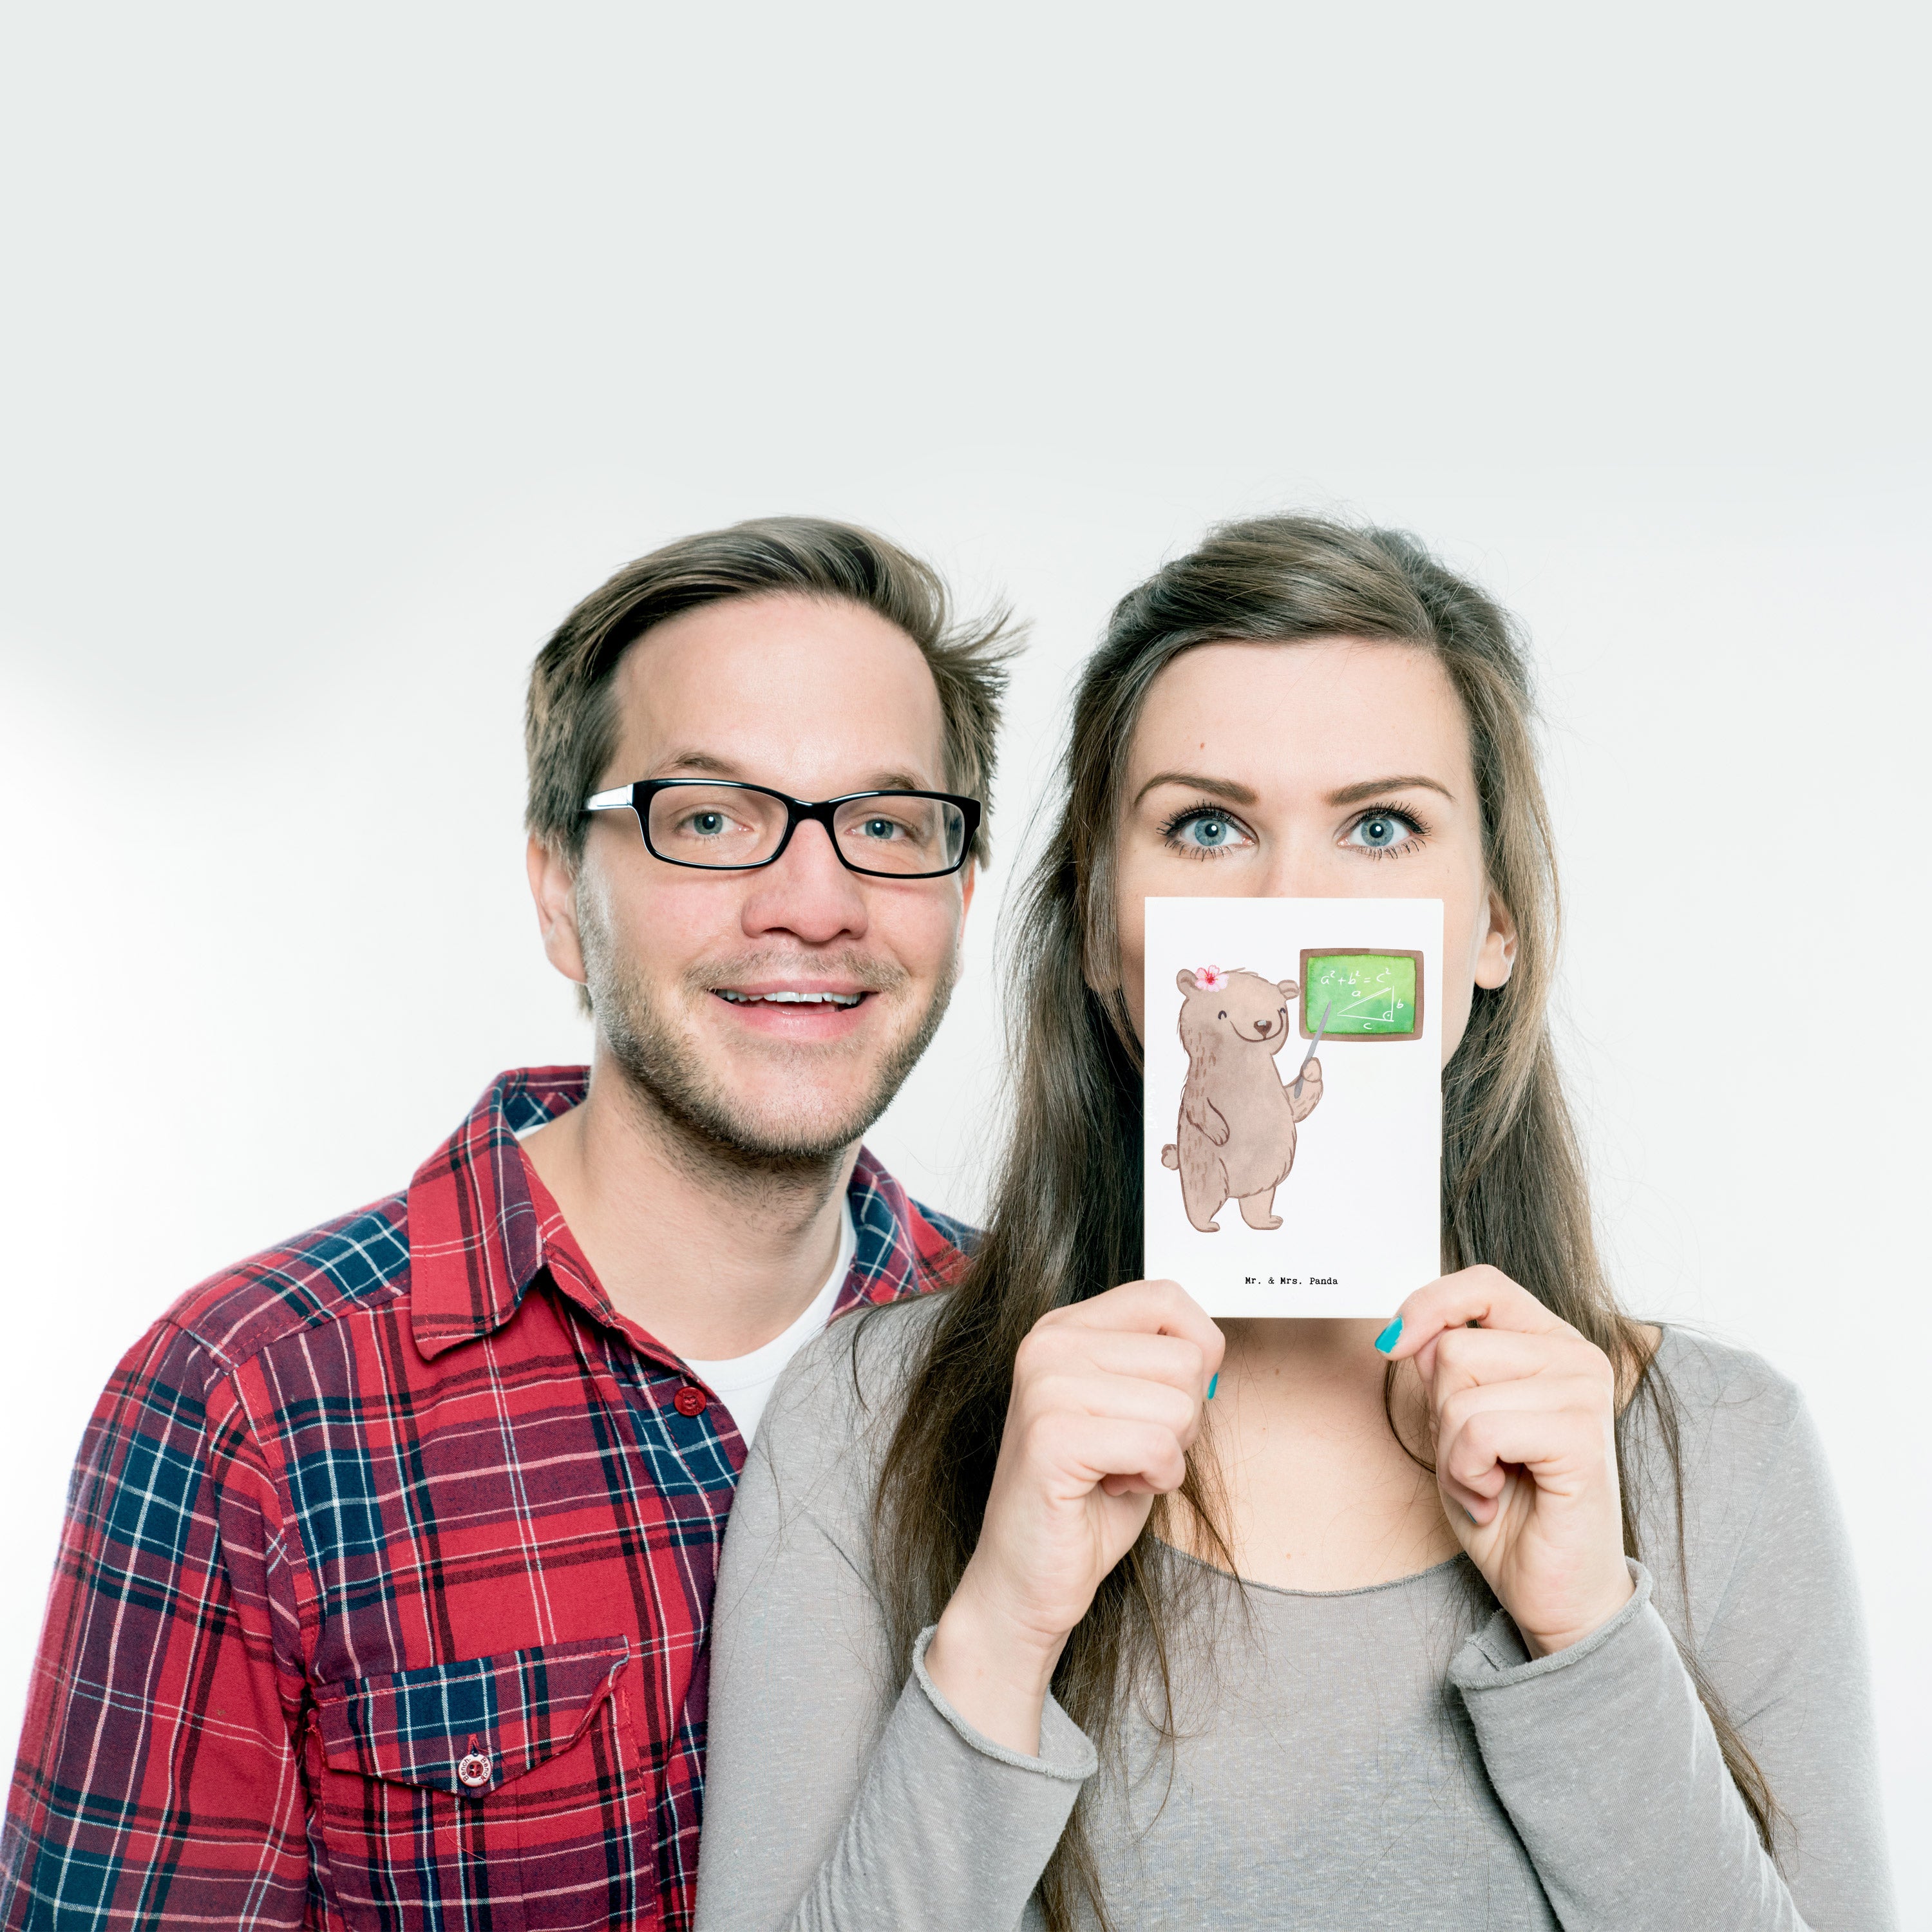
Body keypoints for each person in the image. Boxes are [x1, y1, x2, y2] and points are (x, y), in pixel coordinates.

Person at [694, 515, 1896, 1930]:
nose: (1293, 906)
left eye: (1381, 827)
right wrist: (1002, 1626)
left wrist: (1586, 1632)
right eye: (1207, 827)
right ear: (1101, 929)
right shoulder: (866, 1422)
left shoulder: (1723, 1452)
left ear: (1494, 925)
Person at [0, 517, 1014, 1931]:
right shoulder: (246, 1404)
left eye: (888, 827)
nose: (816, 903)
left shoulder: (1030, 1348)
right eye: (710, 820)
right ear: (558, 894)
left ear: (960, 891)